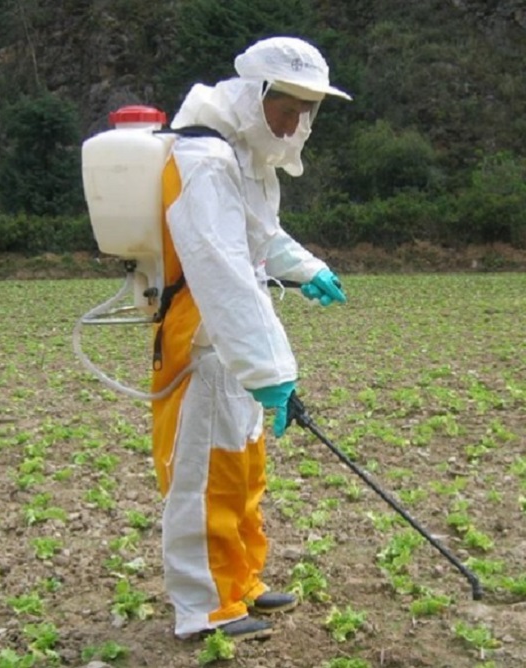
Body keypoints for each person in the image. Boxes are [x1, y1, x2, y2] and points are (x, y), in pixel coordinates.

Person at [149, 36, 351, 641]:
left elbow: (260, 237)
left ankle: (241, 584)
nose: (294, 124)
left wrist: (307, 266)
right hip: (204, 334)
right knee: (206, 472)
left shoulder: (243, 157)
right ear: (254, 94)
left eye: (305, 113)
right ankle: (204, 607)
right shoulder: (205, 161)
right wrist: (272, 369)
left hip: (229, 335)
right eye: (286, 109)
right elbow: (222, 268)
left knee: (241, 465)